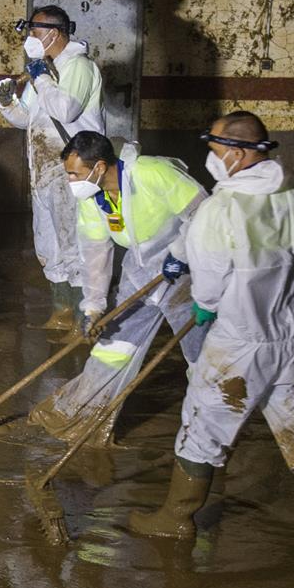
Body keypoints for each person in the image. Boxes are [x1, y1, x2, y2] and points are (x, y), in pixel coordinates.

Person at [130, 110, 294, 554]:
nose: (211, 157)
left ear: (237, 155)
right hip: (292, 340)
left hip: (238, 343)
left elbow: (211, 290)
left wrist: (202, 306)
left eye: (215, 148)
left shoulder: (221, 211)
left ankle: (176, 518)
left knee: (203, 425)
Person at [27, 129, 208, 444]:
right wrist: (94, 307)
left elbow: (204, 213)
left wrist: (180, 254)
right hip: (139, 273)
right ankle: (82, 415)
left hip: (186, 274)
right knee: (113, 347)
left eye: (74, 173)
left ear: (98, 167)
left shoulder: (153, 173)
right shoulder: (93, 198)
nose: (70, 181)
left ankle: (204, 433)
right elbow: (96, 253)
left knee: (200, 354)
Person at [0, 4, 103, 330]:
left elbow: (65, 110)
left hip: (72, 168)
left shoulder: (78, 66)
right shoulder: (44, 69)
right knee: (49, 243)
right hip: (44, 169)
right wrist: (8, 101)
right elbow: (27, 118)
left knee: (75, 243)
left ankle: (86, 315)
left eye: (34, 30)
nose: (30, 37)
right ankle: (61, 312)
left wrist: (41, 75)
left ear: (53, 33)